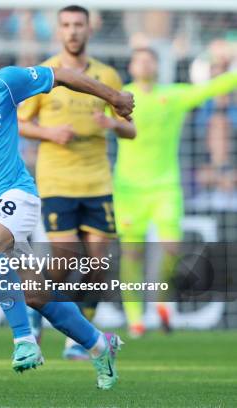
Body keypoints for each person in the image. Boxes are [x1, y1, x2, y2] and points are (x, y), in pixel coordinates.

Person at [0, 19, 132, 389]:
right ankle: (100, 345)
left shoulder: (2, 83)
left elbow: (61, 74)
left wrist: (112, 96)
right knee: (34, 292)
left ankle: (23, 342)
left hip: (16, 193)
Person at [17, 5, 136, 360]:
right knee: (66, 259)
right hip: (57, 180)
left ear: (89, 29)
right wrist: (49, 132)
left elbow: (131, 128)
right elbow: (20, 123)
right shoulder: (45, 75)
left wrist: (114, 124)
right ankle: (35, 308)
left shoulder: (107, 76)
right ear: (58, 31)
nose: (72, 31)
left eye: (78, 25)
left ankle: (79, 337)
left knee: (100, 267)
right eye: (66, 25)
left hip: (97, 180)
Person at [114, 47, 237, 337]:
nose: (144, 63)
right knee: (131, 254)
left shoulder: (174, 95)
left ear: (158, 65)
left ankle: (161, 298)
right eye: (139, 59)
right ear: (130, 67)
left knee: (171, 247)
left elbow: (216, 86)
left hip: (165, 186)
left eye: (149, 58)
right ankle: (135, 321)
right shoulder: (118, 96)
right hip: (128, 188)